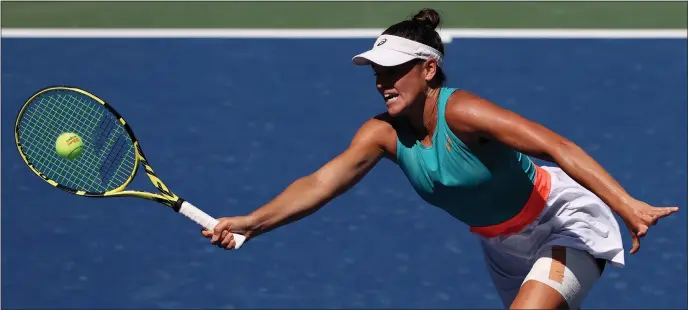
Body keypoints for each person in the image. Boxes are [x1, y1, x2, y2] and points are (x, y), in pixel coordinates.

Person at [202, 8, 679, 309]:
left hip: (563, 221)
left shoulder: (466, 112)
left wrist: (626, 205)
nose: (381, 82)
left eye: (393, 72)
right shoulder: (381, 135)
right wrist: (253, 222)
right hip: (502, 248)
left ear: (428, 69)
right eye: (376, 73)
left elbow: (559, 147)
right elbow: (320, 183)